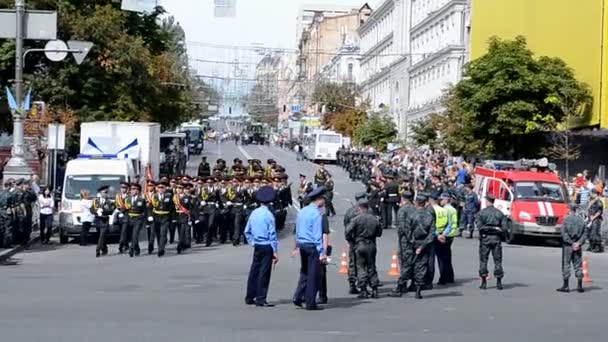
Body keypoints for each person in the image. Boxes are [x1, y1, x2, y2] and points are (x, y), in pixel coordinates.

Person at [292, 187, 326, 310]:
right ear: (319, 199)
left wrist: (297, 244)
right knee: (313, 274)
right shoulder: (316, 213)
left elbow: (297, 230)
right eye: (323, 199)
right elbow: (317, 235)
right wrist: (321, 252)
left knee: (304, 271)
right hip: (312, 246)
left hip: (302, 244)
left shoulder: (302, 211)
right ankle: (310, 302)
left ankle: (298, 296)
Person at [244, 186, 278, 307]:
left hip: (257, 245)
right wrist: (275, 251)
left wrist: (252, 242)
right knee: (264, 272)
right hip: (267, 245)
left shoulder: (254, 213)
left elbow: (247, 231)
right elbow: (272, 234)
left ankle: (249, 296)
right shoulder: (269, 215)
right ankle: (261, 298)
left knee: (254, 271)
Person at [346, 198, 382, 299]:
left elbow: (348, 231)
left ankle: (363, 290)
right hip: (371, 244)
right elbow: (379, 233)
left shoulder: (356, 219)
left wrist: (351, 240)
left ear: (360, 208)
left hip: (359, 244)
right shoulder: (374, 219)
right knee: (371, 266)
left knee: (360, 266)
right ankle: (374, 288)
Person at [389, 191, 417, 297]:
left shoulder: (403, 210)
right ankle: (414, 282)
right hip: (415, 239)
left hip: (405, 240)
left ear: (403, 198)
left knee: (405, 261)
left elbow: (402, 226)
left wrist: (409, 238)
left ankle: (402, 285)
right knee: (414, 260)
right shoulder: (415, 208)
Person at [475, 195, 507, 290]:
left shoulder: (482, 213)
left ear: (487, 201)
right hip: (496, 239)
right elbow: (504, 228)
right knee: (498, 260)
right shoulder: (500, 213)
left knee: (483, 260)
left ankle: (484, 282)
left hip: (485, 239)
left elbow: (479, 226)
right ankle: (499, 282)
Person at [557, 203, 587, 293]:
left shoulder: (566, 219)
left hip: (568, 245)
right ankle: (579, 286)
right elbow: (585, 234)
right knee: (578, 265)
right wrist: (578, 243)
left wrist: (571, 242)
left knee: (566, 264)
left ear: (569, 209)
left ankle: (566, 286)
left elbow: (564, 233)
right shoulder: (581, 220)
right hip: (577, 245)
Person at [410, 195, 435, 299]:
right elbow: (432, 233)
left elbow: (407, 230)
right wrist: (423, 245)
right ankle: (419, 289)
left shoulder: (412, 215)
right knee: (422, 265)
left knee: (412, 264)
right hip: (424, 243)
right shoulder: (429, 216)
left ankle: (412, 284)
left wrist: (411, 243)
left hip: (413, 243)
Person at [343, 192, 367, 294]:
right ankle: (363, 285)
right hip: (365, 241)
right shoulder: (368, 211)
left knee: (352, 262)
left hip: (353, 240)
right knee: (364, 263)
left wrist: (349, 240)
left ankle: (352, 284)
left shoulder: (350, 211)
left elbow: (346, 226)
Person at [437, 193, 458, 285]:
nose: (440, 201)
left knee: (442, 258)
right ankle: (450, 277)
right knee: (447, 256)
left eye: (441, 199)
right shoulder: (453, 209)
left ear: (446, 200)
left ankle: (443, 278)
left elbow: (448, 223)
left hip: (446, 234)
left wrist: (442, 234)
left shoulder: (446, 210)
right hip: (452, 234)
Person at [149, 181, 174, 257]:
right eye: (159, 187)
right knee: (158, 234)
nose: (160, 189)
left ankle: (161, 249)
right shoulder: (154, 196)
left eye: (162, 187)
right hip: (156, 217)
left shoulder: (169, 196)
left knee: (163, 233)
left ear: (165, 188)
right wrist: (150, 215)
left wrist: (173, 218)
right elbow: (150, 207)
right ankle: (160, 246)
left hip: (165, 217)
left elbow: (172, 207)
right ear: (156, 188)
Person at [92, 185, 116, 257]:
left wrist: (104, 211)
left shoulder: (109, 201)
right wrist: (96, 211)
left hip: (105, 220)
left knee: (102, 235)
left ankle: (98, 250)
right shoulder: (96, 200)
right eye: (104, 192)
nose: (106, 194)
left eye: (107, 192)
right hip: (98, 220)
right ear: (100, 193)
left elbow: (111, 210)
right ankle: (104, 248)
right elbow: (91, 209)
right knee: (101, 236)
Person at [125, 183, 147, 257]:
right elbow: (125, 209)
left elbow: (145, 211)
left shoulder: (141, 199)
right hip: (129, 219)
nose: (132, 191)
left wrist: (146, 221)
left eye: (134, 189)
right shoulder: (127, 199)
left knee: (135, 234)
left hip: (138, 219)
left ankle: (132, 249)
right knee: (132, 236)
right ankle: (137, 248)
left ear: (137, 191)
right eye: (131, 189)